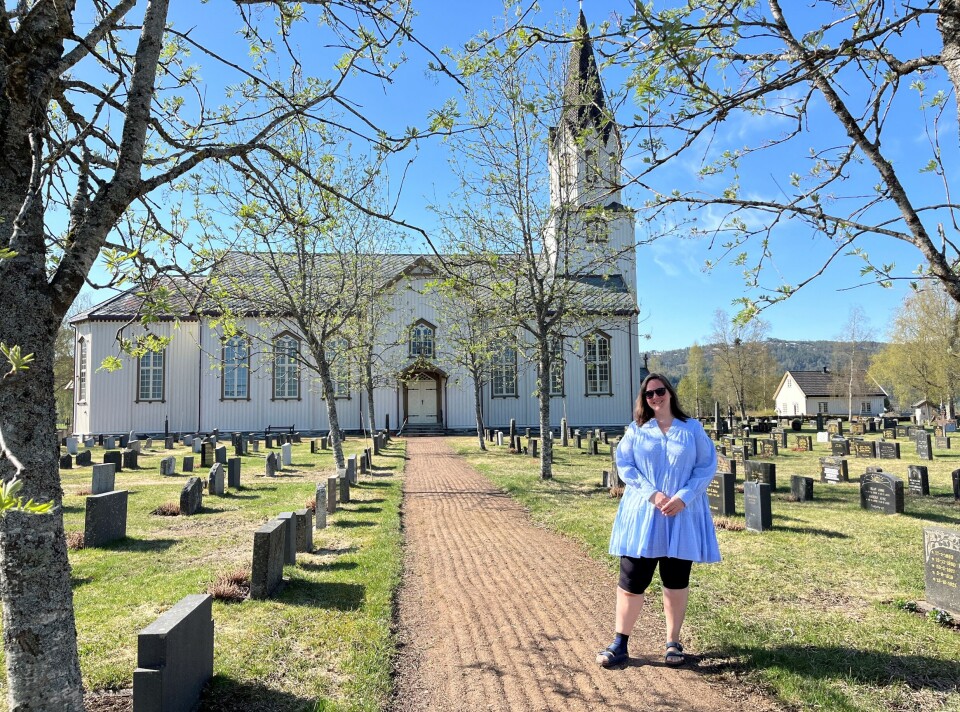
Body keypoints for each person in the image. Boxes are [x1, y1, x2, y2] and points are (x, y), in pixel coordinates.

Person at [596, 373, 721, 668]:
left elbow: (706, 466)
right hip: (643, 514)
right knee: (632, 579)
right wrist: (652, 495)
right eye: (649, 394)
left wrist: (683, 497)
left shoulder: (691, 428)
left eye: (660, 391)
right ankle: (620, 643)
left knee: (676, 580)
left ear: (670, 393)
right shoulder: (637, 430)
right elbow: (626, 465)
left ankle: (673, 641)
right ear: (644, 399)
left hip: (681, 514)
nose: (655, 397)